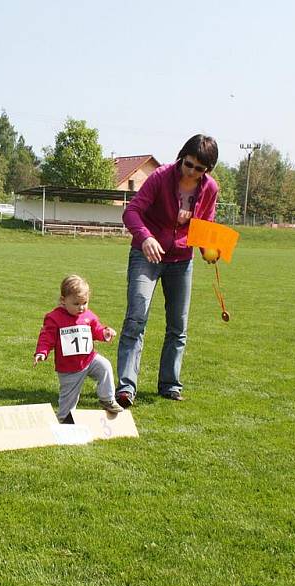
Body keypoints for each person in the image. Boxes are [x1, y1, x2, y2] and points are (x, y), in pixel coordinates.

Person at [115, 134, 220, 407]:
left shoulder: (210, 189)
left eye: (200, 168)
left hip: (182, 260)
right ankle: (126, 387)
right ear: (181, 157)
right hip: (145, 254)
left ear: (207, 170)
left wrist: (208, 250)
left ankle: (170, 385)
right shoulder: (160, 177)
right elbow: (131, 212)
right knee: (136, 319)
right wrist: (145, 237)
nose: (193, 171)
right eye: (189, 164)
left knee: (178, 326)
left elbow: (204, 226)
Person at [34, 275, 124, 423]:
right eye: (76, 304)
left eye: (85, 303)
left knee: (105, 366)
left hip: (89, 359)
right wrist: (42, 352)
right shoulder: (54, 317)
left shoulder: (88, 315)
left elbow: (97, 330)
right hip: (69, 368)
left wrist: (105, 333)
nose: (81, 307)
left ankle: (107, 399)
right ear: (63, 300)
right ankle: (64, 419)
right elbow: (46, 336)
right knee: (69, 398)